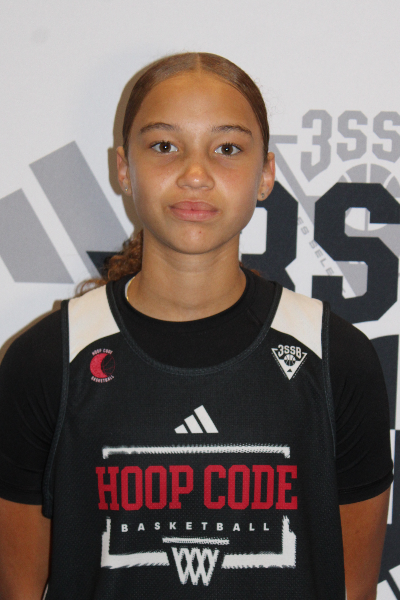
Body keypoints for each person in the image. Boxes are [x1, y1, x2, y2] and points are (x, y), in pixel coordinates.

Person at [0, 52, 392, 600]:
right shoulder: (46, 360)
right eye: (165, 146)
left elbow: (353, 589)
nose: (195, 174)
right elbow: (18, 588)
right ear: (123, 169)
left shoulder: (335, 359)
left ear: (266, 174)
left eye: (227, 148)